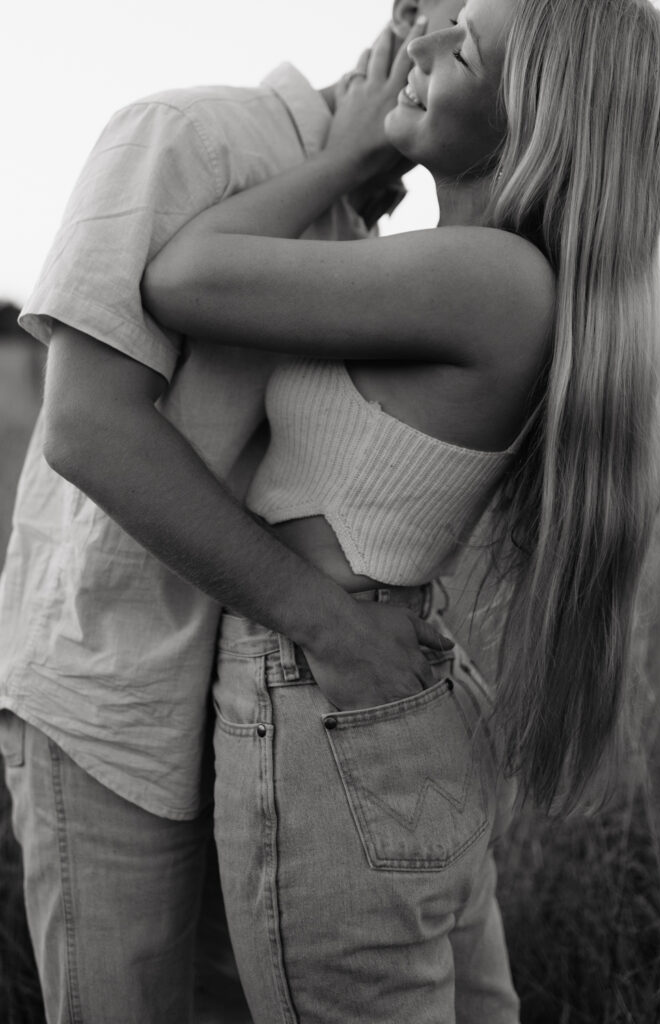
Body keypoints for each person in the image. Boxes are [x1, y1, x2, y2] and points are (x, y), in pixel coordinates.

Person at [141, 0, 660, 1020]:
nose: (419, 44)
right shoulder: (495, 274)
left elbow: (180, 276)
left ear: (533, 116)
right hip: (391, 693)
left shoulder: (481, 278)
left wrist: (341, 162)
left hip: (325, 698)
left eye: (462, 43)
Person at [0, 5, 459, 1023]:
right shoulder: (185, 133)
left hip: (263, 725)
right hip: (113, 702)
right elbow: (84, 426)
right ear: (410, 24)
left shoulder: (361, 229)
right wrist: (326, 621)